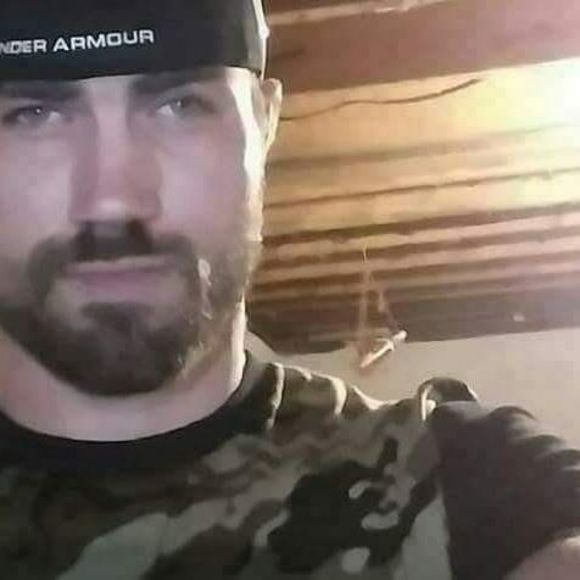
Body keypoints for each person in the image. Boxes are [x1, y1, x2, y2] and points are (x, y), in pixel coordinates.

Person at [0, 1, 579, 578]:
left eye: (181, 106)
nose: (113, 199)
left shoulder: (470, 485)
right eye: (32, 115)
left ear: (264, 121)